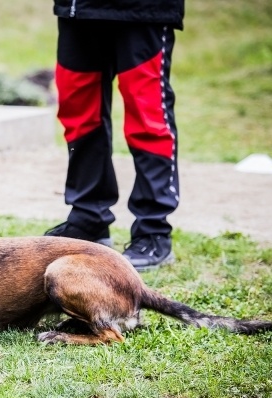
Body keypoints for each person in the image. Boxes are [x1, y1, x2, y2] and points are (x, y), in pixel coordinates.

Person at [45, 0, 185, 271]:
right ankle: (88, 220)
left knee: (148, 116)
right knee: (79, 111)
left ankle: (153, 231)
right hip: (79, 8)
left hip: (143, 9)